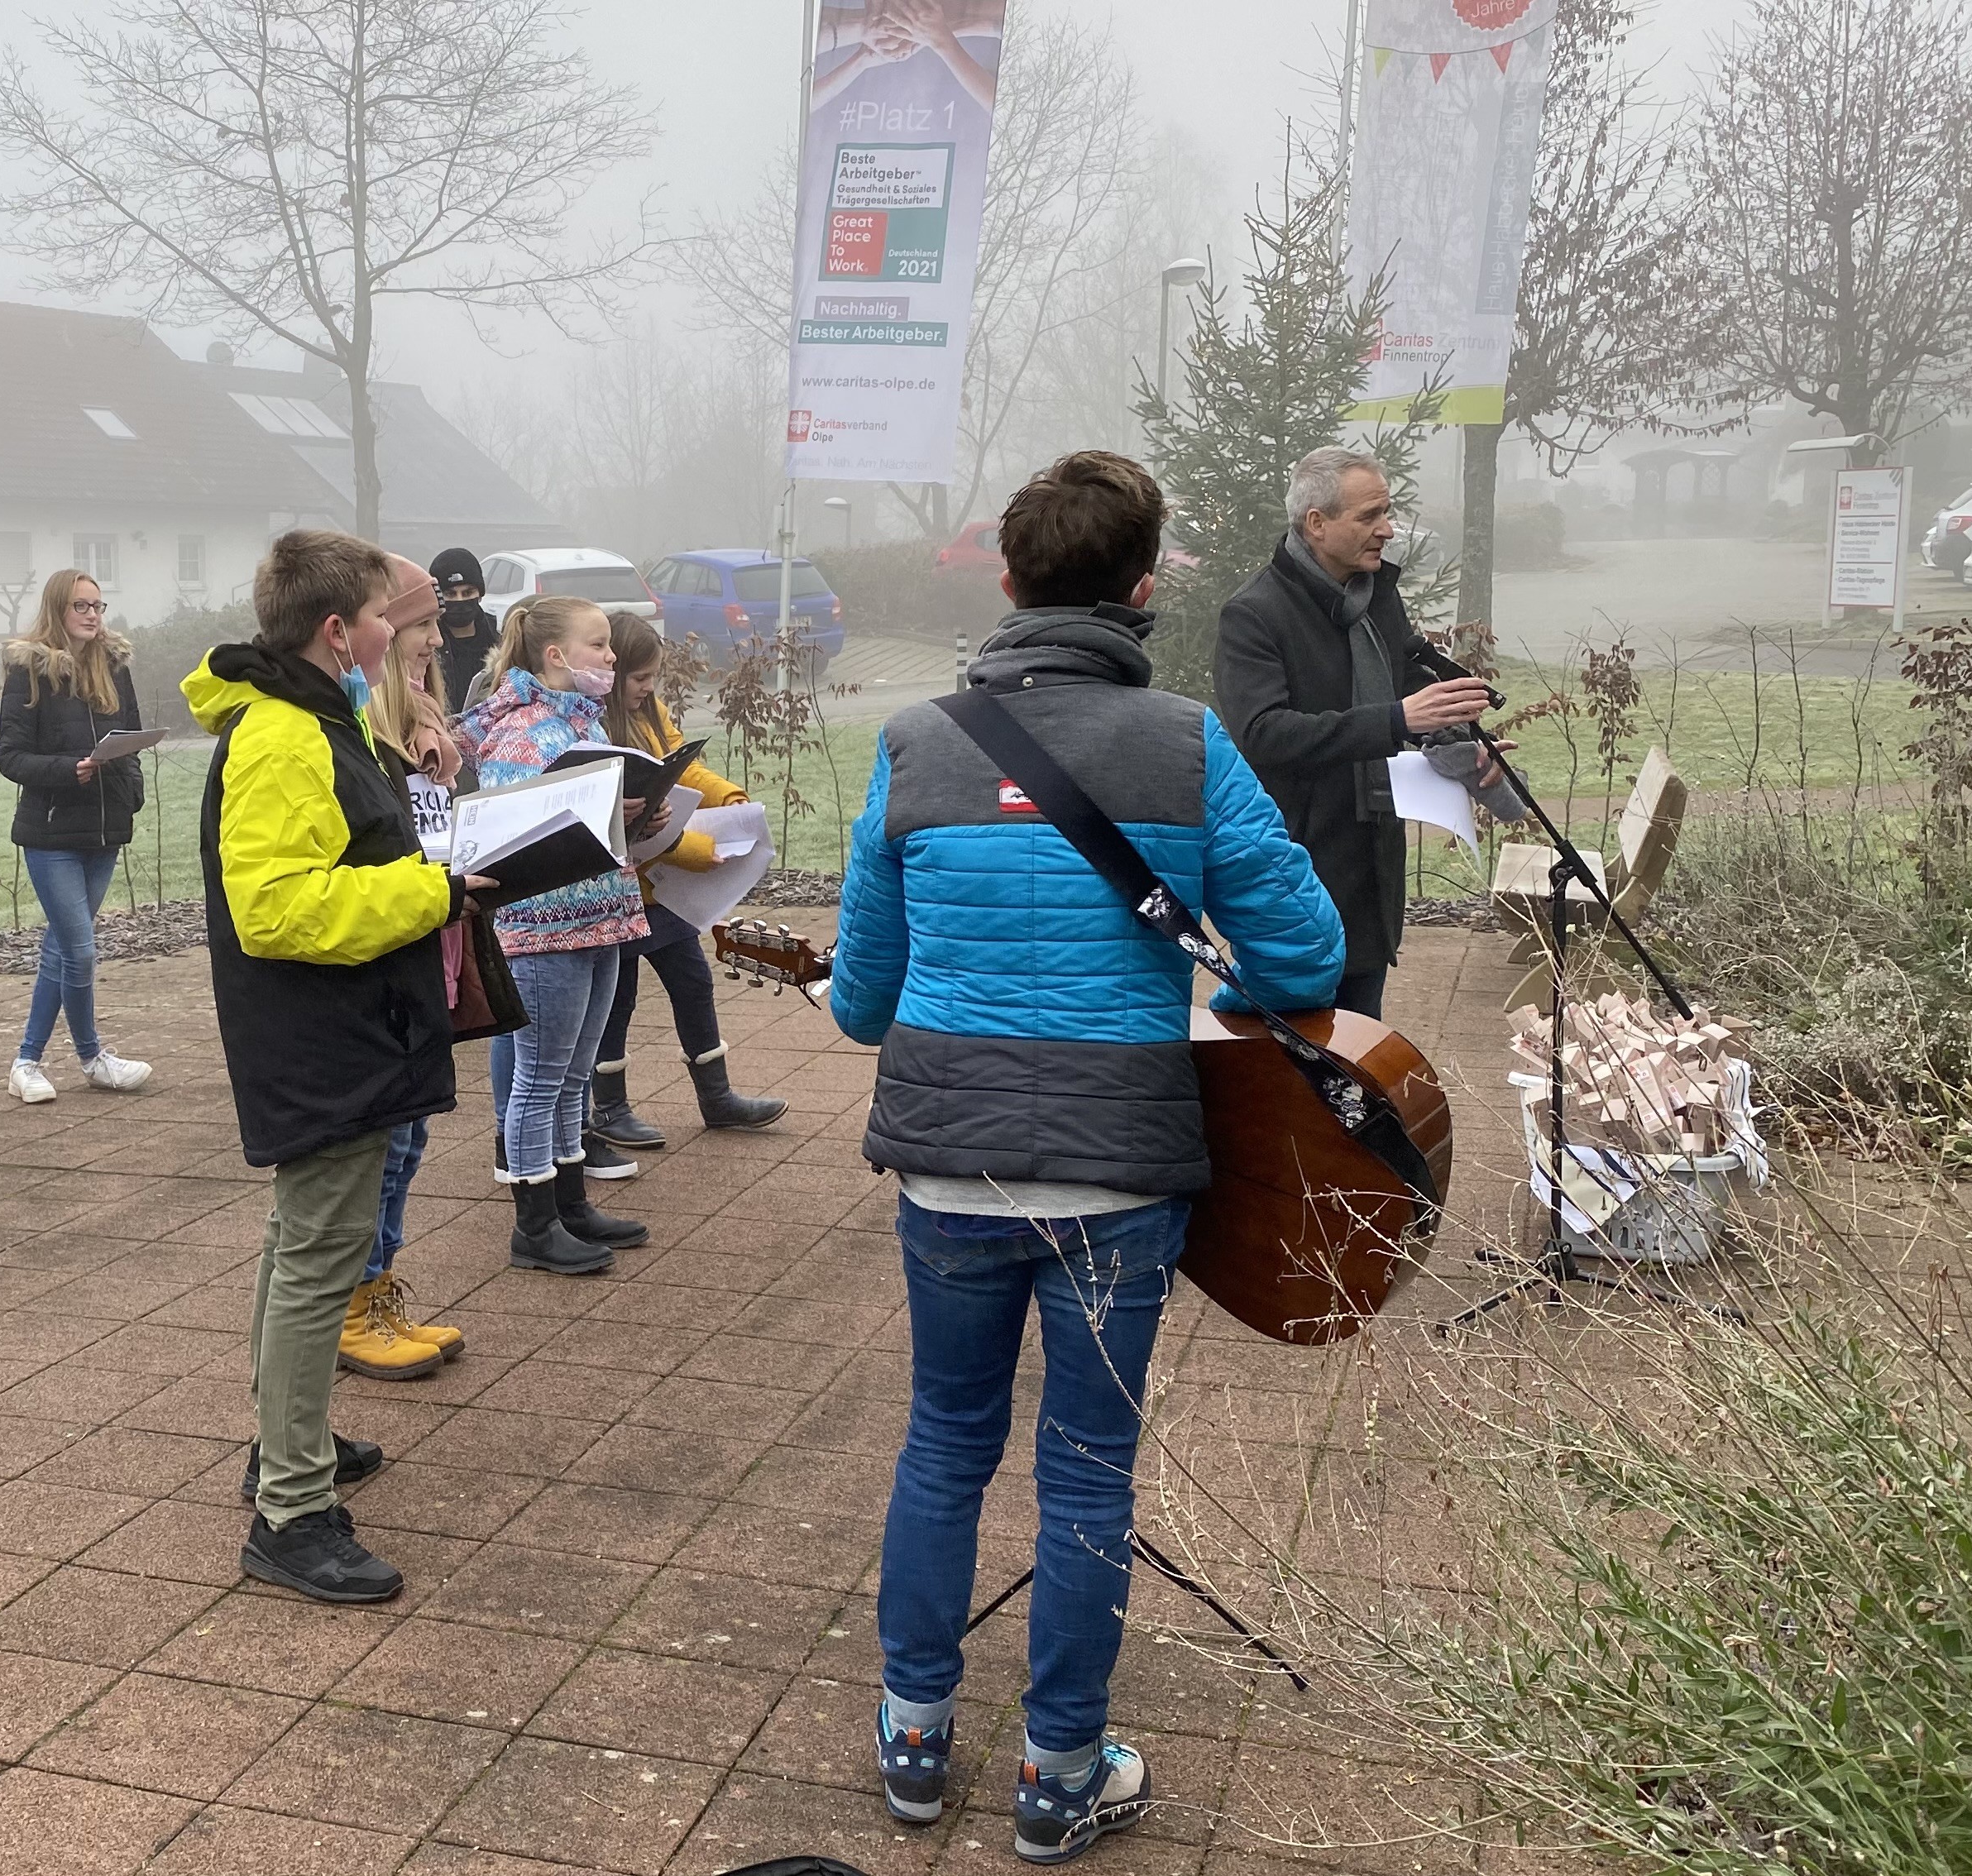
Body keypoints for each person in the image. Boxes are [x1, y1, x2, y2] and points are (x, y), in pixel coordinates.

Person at [831, 452, 1343, 1863]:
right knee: (1086, 1468)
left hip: (946, 1164)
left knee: (944, 1440)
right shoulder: (1187, 740)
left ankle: (914, 1738)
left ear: (1004, 583)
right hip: (1120, 1179)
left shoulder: (911, 744)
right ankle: (1062, 1773)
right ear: (1140, 586)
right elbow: (1306, 951)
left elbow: (862, 998)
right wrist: (1212, 998)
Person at [184, 529, 467, 1604]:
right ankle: (291, 1512)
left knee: (302, 1247)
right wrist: (435, 892)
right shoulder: (283, 735)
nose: (402, 629)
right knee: (317, 1263)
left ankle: (284, 1448)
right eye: (388, 613)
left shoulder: (311, 714)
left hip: (341, 1027)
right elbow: (276, 909)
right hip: (319, 1034)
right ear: (337, 628)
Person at [1213, 444, 1495, 1020]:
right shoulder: (1254, 614)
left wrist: (1462, 744)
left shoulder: (1374, 597)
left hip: (1372, 858)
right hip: (1299, 861)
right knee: (1298, 1052)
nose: (1388, 530)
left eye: (1387, 513)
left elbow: (1407, 686)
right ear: (1316, 523)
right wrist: (1398, 719)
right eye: (1370, 516)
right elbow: (1264, 734)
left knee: (1361, 1044)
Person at [462, 595, 653, 1275]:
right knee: (539, 1083)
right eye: (598, 645)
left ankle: (571, 1204)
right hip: (544, 933)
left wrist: (633, 820)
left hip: (599, 920)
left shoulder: (581, 722)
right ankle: (534, 1224)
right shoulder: (522, 733)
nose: (610, 657)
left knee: (573, 1078)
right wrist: (602, 809)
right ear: (555, 656)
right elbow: (516, 838)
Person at [581, 612, 789, 1175]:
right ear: (613, 671)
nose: (649, 688)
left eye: (653, 678)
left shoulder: (647, 713)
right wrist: (696, 851)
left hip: (660, 899)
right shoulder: (597, 732)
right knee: (614, 1004)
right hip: (623, 892)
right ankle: (610, 1108)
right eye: (640, 678)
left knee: (693, 983)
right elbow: (642, 826)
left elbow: (682, 772)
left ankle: (716, 1098)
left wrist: (732, 801)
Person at [337, 557, 463, 1381]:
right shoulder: (354, 740)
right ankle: (354, 1307)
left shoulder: (417, 730)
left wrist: (441, 762)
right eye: (419, 626)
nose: (433, 642)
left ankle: (378, 1290)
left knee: (409, 1145)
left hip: (428, 959)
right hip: (382, 969)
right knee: (380, 1151)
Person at [0, 568, 155, 1104]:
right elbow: (10, 756)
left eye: (99, 606)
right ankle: (85, 1055)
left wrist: (129, 784)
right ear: (57, 609)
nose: (93, 615)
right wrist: (69, 769)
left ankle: (32, 1063)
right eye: (81, 606)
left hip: (105, 828)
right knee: (79, 951)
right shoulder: (30, 672)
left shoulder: (113, 666)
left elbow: (128, 735)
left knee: (64, 948)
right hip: (51, 831)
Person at [428, 547, 495, 711]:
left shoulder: (499, 641)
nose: (460, 600)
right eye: (450, 594)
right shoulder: (428, 645)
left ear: (480, 594)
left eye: (468, 593)